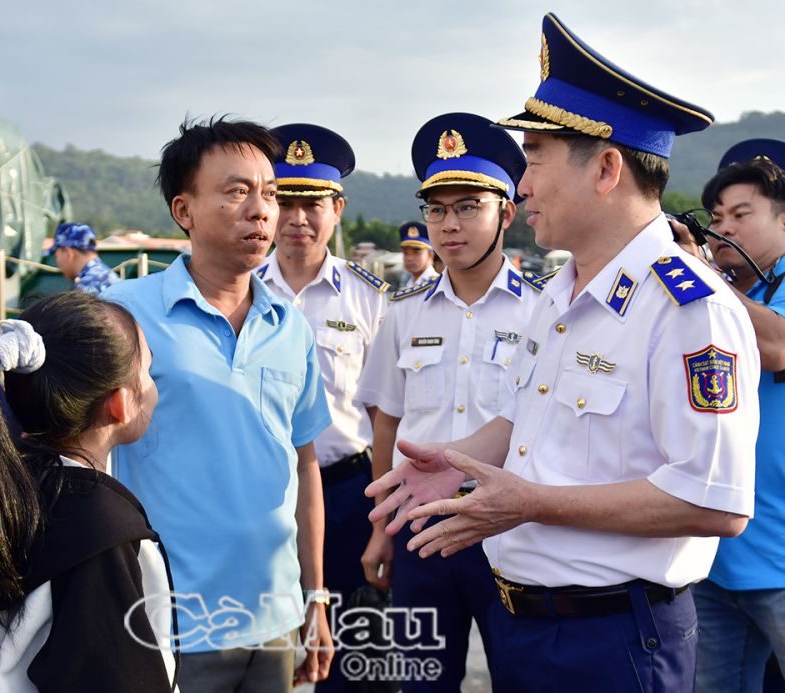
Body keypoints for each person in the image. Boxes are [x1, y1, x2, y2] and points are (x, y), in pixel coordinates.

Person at [366, 13, 760, 692]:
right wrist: (458, 463)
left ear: (606, 168)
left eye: (537, 160)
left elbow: (715, 500)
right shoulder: (561, 294)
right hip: (529, 627)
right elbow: (523, 420)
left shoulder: (689, 310)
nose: (522, 186)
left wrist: (529, 502)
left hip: (615, 641)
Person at [101, 117, 333, 692]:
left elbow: (304, 465)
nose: (262, 210)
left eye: (270, 193)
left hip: (274, 618)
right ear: (184, 211)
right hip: (167, 618)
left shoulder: (290, 328)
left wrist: (315, 597)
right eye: (236, 192)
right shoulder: (125, 315)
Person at [357, 112, 532, 691]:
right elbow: (387, 422)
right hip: (419, 526)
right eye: (437, 209)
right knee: (422, 680)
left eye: (467, 207)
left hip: (507, 527)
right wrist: (382, 529)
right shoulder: (403, 313)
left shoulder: (543, 310)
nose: (448, 224)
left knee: (518, 675)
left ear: (506, 212)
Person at [0, 292, 177, 692]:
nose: (153, 388)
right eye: (148, 371)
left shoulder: (0, 485)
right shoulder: (98, 529)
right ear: (118, 403)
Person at [256, 123, 388, 692]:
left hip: (346, 494)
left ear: (337, 209)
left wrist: (384, 513)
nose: (297, 219)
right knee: (263, 655)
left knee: (355, 660)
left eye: (311, 204)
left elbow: (387, 414)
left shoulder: (372, 300)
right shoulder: (243, 290)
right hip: (261, 495)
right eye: (284, 202)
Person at [687, 139, 785, 693]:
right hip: (716, 558)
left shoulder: (718, 293)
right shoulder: (719, 292)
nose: (724, 228)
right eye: (717, 217)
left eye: (742, 214)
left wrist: (696, 271)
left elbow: (776, 347)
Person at [46, 222, 121, 295]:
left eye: (56, 256)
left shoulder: (87, 286)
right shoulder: (106, 275)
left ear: (70, 253)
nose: (57, 261)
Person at [397, 221, 439, 288]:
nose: (409, 258)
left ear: (430, 255)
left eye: (416, 252)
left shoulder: (438, 285)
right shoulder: (407, 285)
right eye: (405, 253)